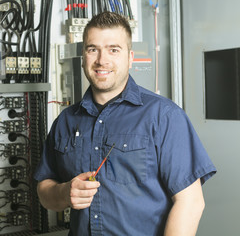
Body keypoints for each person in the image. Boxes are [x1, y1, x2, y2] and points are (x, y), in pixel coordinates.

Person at [34, 12, 216, 236]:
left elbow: (190, 203)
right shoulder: (65, 121)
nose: (102, 60)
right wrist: (64, 193)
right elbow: (44, 191)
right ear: (83, 57)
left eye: (113, 49)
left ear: (130, 57)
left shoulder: (164, 116)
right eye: (93, 49)